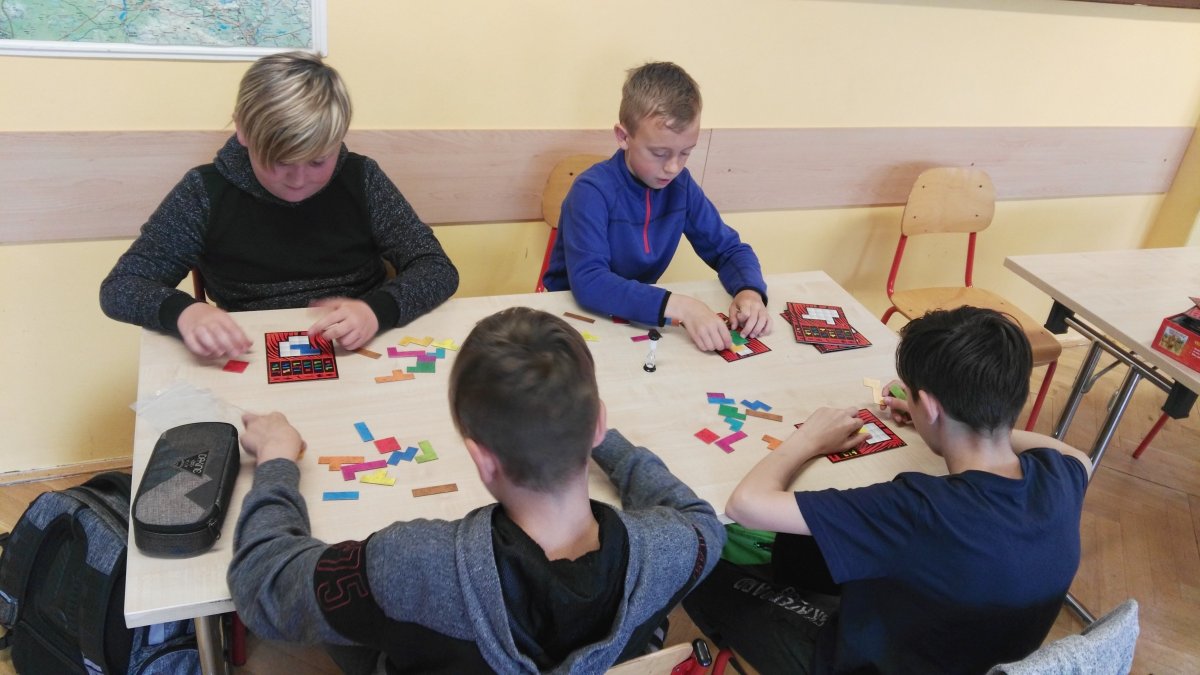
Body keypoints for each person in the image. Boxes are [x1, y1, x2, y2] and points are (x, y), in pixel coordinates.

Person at [227, 307, 725, 673]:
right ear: (598, 423)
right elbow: (698, 516)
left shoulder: (409, 562)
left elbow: (260, 583)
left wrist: (275, 459)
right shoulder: (673, 548)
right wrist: (588, 430)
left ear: (481, 457)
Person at [683, 306, 1093, 674]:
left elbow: (747, 504)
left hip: (864, 663)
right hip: (969, 651)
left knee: (699, 564)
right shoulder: (1062, 479)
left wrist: (808, 439)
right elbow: (1077, 455)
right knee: (813, 548)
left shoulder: (915, 509)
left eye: (912, 398)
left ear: (929, 406)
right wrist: (956, 426)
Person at [99, 51, 458, 359]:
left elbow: (437, 268)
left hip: (357, 348)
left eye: (318, 161)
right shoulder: (203, 192)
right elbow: (121, 286)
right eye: (280, 161)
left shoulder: (362, 177)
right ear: (243, 131)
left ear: (339, 137)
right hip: (250, 349)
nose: (299, 180)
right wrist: (185, 313)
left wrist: (376, 311)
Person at [541, 62, 770, 352]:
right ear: (624, 137)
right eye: (659, 153)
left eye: (685, 153)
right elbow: (590, 282)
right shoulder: (591, 191)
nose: (673, 167)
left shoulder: (681, 187)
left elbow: (729, 250)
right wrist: (683, 307)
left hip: (628, 319)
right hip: (569, 321)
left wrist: (749, 291)